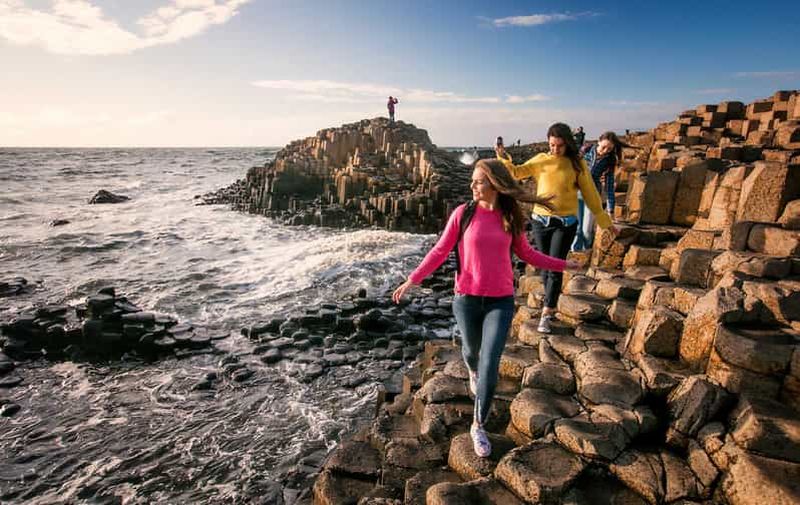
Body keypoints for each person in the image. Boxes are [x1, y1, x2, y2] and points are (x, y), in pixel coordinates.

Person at [392, 159, 578, 458]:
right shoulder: (463, 214)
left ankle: (478, 425)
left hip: (501, 301)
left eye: (478, 181)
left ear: (494, 183)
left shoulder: (509, 217)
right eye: (473, 181)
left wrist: (563, 264)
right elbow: (440, 249)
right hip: (466, 299)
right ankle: (471, 369)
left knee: (490, 362)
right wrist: (412, 280)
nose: (472, 186)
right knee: (470, 352)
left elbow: (527, 253)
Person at [495, 122, 618, 334]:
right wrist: (502, 156)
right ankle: (550, 300)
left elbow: (590, 194)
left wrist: (605, 221)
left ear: (567, 143)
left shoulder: (577, 164)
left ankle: (547, 312)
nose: (555, 149)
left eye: (559, 145)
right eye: (552, 145)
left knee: (554, 267)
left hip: (565, 223)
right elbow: (516, 172)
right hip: (540, 222)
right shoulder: (542, 160)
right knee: (544, 266)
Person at [573, 131, 629, 251]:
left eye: (609, 149)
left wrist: (611, 210)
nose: (605, 151)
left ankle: (587, 252)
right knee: (576, 229)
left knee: (586, 230)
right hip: (575, 192)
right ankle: (575, 255)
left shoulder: (610, 160)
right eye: (604, 147)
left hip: (593, 195)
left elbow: (609, 186)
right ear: (598, 141)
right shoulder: (586, 149)